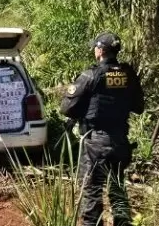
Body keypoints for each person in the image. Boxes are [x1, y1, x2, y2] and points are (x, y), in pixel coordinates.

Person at [60, 31, 145, 226]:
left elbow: (67, 108)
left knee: (92, 193)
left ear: (100, 50)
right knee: (118, 191)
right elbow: (139, 107)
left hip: (96, 144)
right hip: (121, 142)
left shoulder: (91, 75)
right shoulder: (128, 74)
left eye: (95, 48)